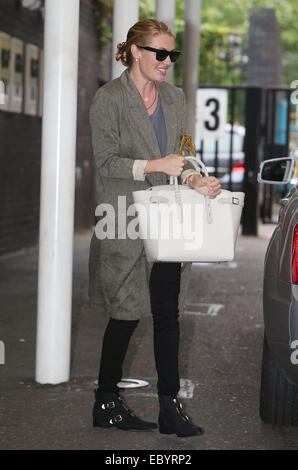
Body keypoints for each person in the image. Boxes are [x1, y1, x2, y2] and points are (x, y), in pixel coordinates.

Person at [89, 19, 221, 438]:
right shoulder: (108, 99)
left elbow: (182, 156)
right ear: (134, 52)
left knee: (168, 314)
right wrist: (152, 165)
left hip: (167, 221)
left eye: (172, 54)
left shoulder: (175, 98)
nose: (167, 62)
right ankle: (106, 401)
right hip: (124, 219)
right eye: (160, 53)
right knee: (126, 314)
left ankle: (170, 408)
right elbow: (105, 161)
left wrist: (196, 180)